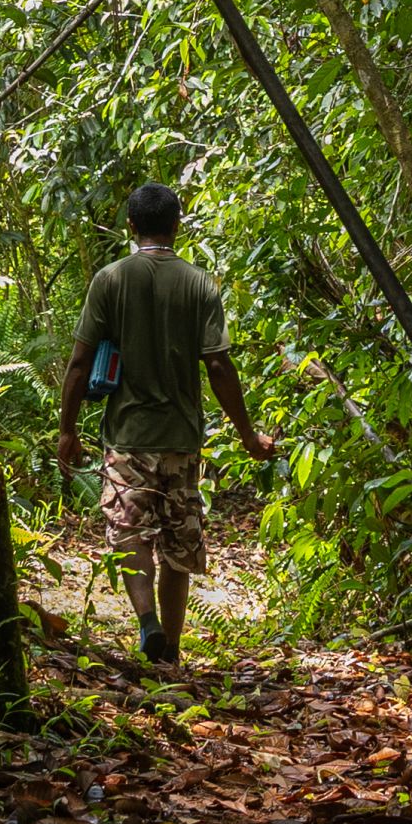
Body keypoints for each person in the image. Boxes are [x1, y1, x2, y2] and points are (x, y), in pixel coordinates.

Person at [53, 179, 276, 668]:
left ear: (130, 226)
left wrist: (67, 430)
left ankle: (147, 622)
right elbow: (218, 366)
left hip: (128, 438)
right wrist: (248, 435)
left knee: (128, 533)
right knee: (179, 542)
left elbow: (78, 363)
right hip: (182, 439)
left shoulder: (109, 280)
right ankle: (169, 654)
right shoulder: (199, 283)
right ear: (177, 225)